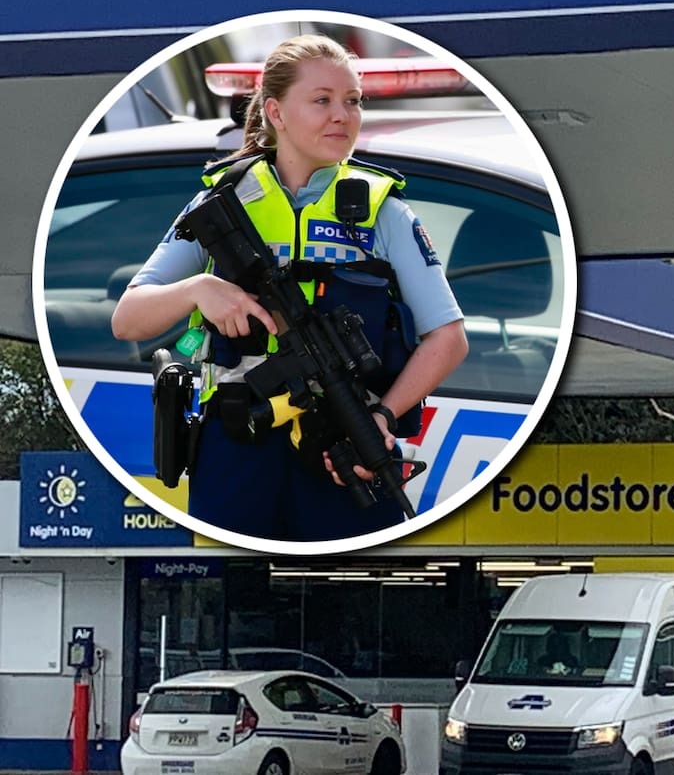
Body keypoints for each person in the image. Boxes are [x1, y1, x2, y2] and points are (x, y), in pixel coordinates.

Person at [112, 34, 468, 542]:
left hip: (344, 444)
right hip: (235, 444)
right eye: (322, 100)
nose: (342, 116)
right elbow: (128, 319)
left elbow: (448, 338)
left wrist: (384, 416)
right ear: (276, 112)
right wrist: (199, 289)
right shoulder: (222, 201)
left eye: (352, 101)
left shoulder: (383, 211)